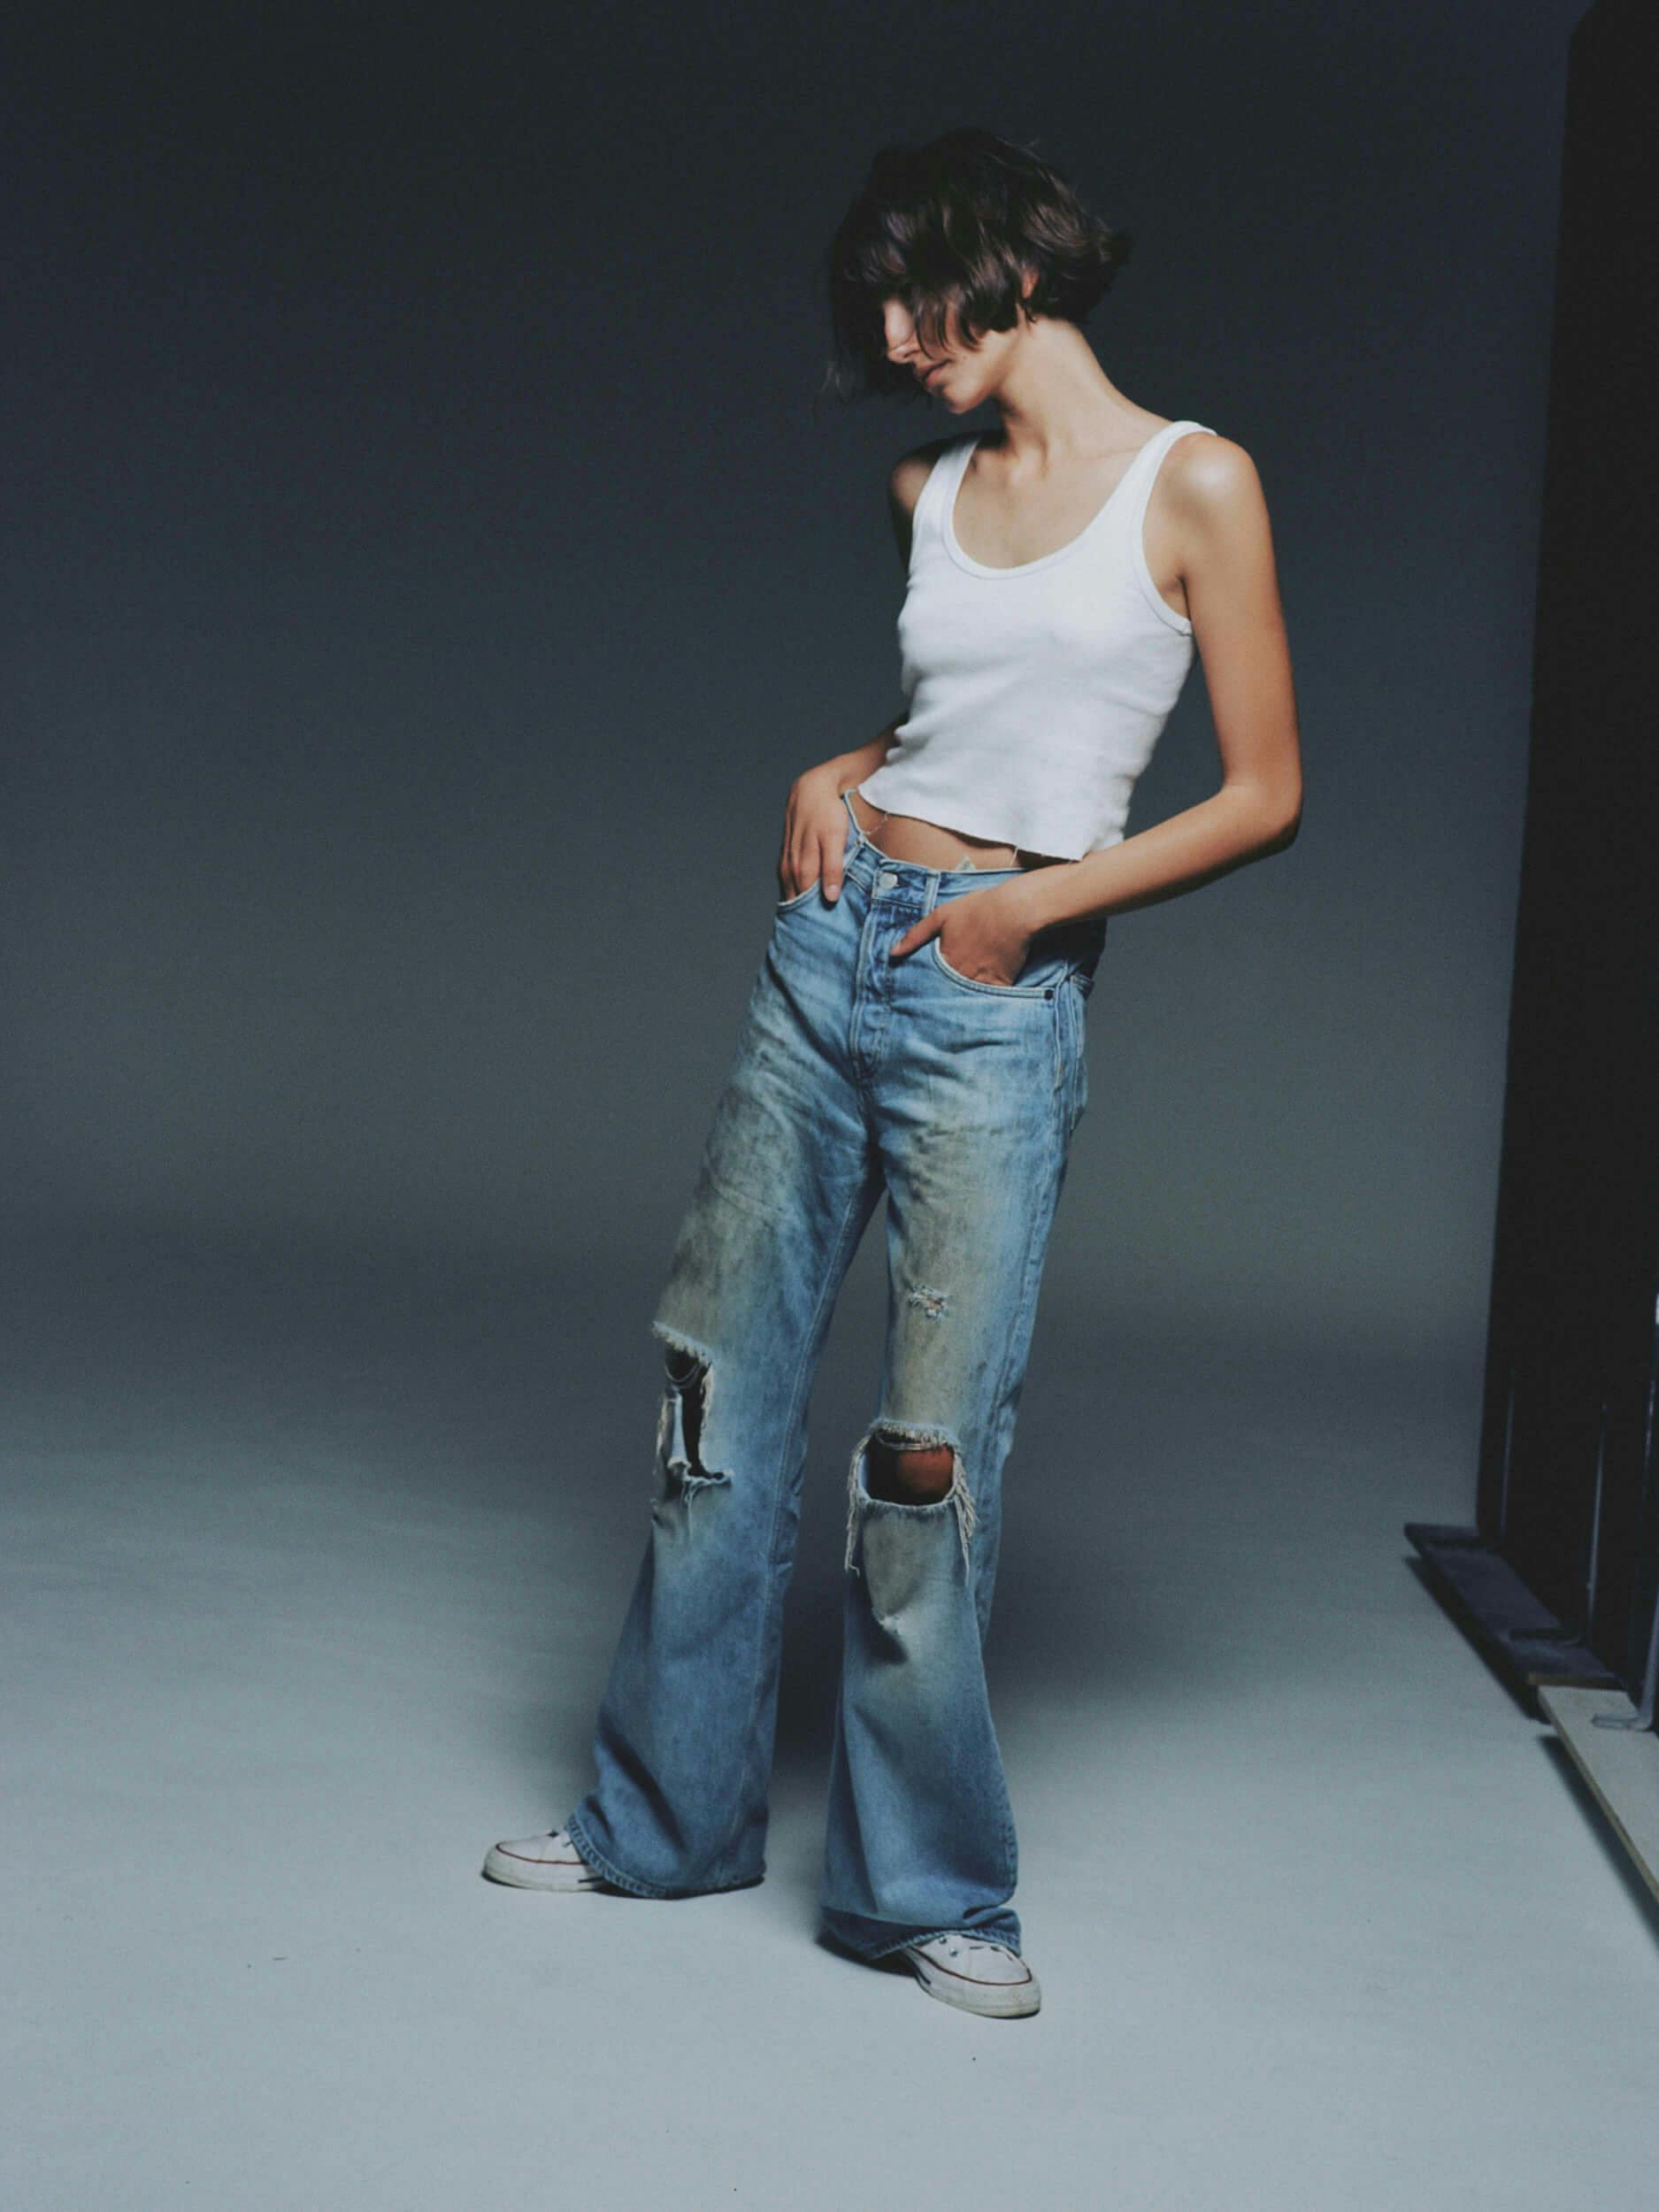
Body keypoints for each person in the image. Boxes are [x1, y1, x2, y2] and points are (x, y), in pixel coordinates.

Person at [482, 126, 1302, 2019]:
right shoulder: (921, 482)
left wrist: (1034, 916)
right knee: (713, 1401)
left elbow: (1261, 790)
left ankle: (927, 1888)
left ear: (1004, 264)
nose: (888, 333)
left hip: (987, 1006)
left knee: (920, 1463)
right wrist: (837, 767)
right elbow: (965, 716)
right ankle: (654, 1818)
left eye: (907, 291)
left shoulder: (1196, 484)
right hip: (825, 961)